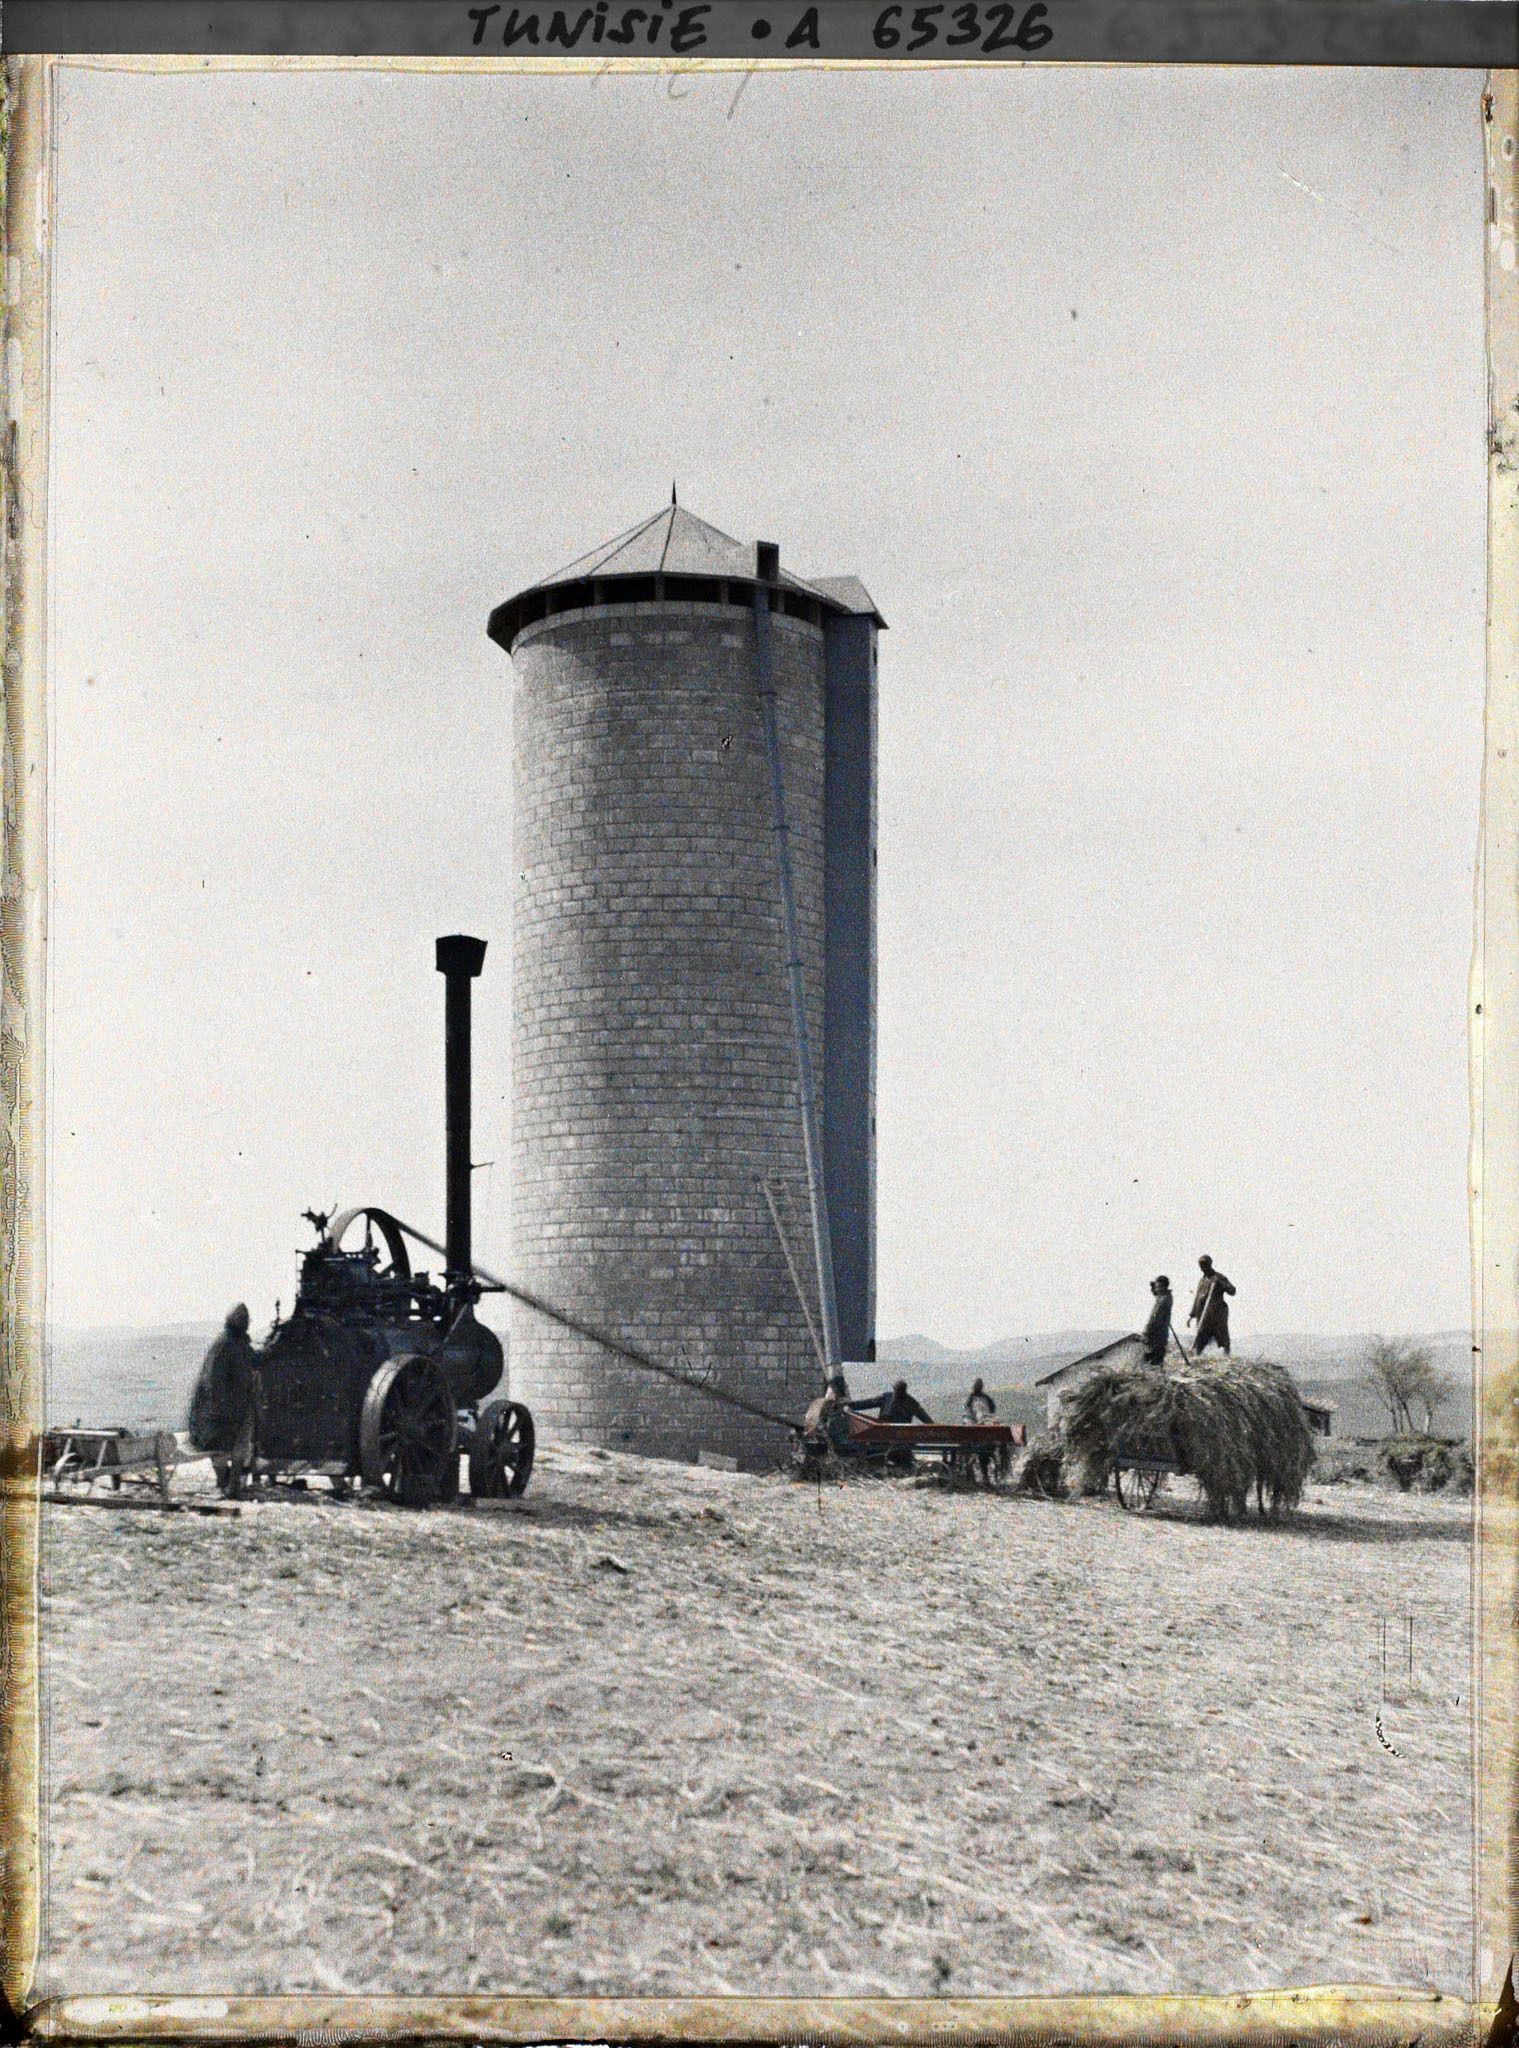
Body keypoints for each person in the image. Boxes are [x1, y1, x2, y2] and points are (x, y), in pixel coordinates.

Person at [187, 1303, 260, 1498]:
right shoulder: (224, 1344)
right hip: (222, 1408)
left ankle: (232, 1483)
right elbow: (213, 1380)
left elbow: (256, 1360)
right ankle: (225, 1482)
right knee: (219, 1446)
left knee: (238, 1446)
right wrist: (220, 1407)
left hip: (238, 1406)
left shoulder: (239, 1344)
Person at [1188, 1255, 1236, 1356]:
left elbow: (1232, 1291)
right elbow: (1197, 1297)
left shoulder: (1218, 1278)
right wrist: (1192, 1315)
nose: (1202, 1268)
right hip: (1203, 1314)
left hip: (1217, 1313)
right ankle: (1197, 1356)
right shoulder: (1202, 1280)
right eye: (1201, 1265)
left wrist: (1221, 1283)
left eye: (1204, 1265)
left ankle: (1227, 1357)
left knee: (1223, 1336)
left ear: (1209, 1265)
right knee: (1201, 1335)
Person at [1141, 1276, 1173, 1366]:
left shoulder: (1163, 1300)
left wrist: (1146, 1332)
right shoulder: (1166, 1296)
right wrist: (1153, 1287)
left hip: (1157, 1336)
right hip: (1160, 1336)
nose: (1157, 1289)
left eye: (1159, 1286)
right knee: (1155, 1361)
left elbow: (1155, 1319)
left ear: (1163, 1287)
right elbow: (1156, 1293)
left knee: (1151, 1361)